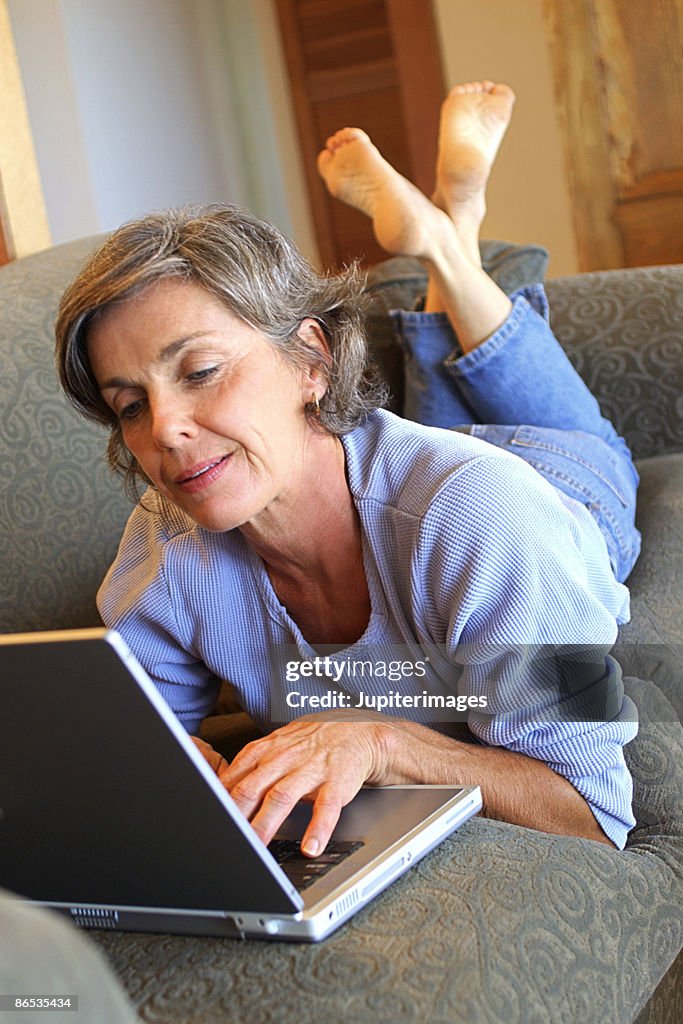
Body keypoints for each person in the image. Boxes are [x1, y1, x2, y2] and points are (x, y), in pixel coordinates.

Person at [55, 81, 641, 860]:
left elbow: (591, 814)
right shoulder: (166, 548)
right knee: (426, 458)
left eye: (198, 371)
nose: (164, 430)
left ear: (309, 358)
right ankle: (447, 230)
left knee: (574, 431)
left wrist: (388, 743)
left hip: (561, 479)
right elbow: (137, 739)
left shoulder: (492, 517)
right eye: (129, 404)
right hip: (403, 475)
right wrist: (164, 768)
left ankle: (445, 243)